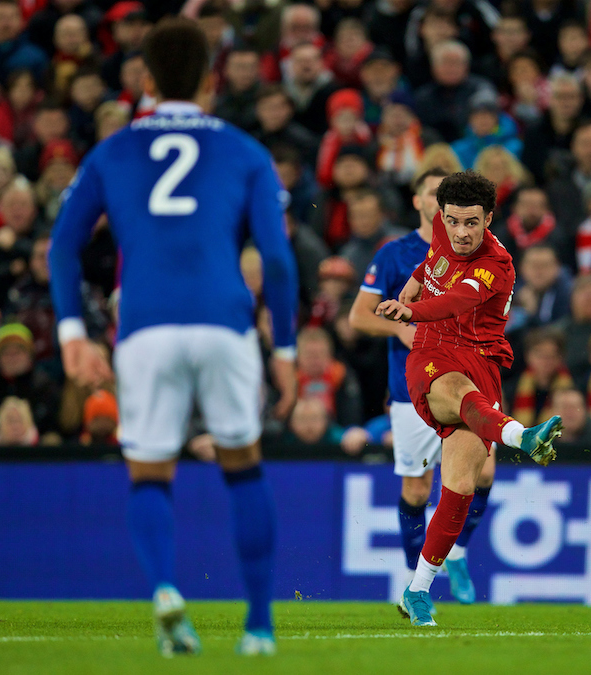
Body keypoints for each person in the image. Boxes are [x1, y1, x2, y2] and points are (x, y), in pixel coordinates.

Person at [47, 19, 299, 656]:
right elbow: (276, 258)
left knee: (149, 474)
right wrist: (287, 346)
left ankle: (164, 588)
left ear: (148, 81)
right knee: (242, 466)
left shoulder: (114, 150)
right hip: (224, 323)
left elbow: (62, 248)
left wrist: (74, 331)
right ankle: (260, 627)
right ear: (212, 82)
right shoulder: (245, 151)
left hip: (145, 325)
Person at [373, 170, 564, 627]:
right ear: (442, 215)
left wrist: (411, 308)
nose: (461, 232)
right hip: (431, 357)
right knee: (458, 393)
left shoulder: (496, 265)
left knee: (458, 490)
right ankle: (521, 436)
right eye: (454, 221)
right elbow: (435, 263)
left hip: (482, 364)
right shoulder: (442, 230)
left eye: (472, 224)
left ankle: (417, 591)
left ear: (489, 219)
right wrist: (418, 278)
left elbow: (456, 301)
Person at [348, 167, 495, 607]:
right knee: (417, 489)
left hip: (464, 377)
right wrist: (397, 329)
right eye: (431, 194)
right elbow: (358, 316)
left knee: (483, 471)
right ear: (419, 201)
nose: (438, 202)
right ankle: (418, 584)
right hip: (410, 387)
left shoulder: (480, 253)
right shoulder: (395, 253)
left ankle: (459, 553)